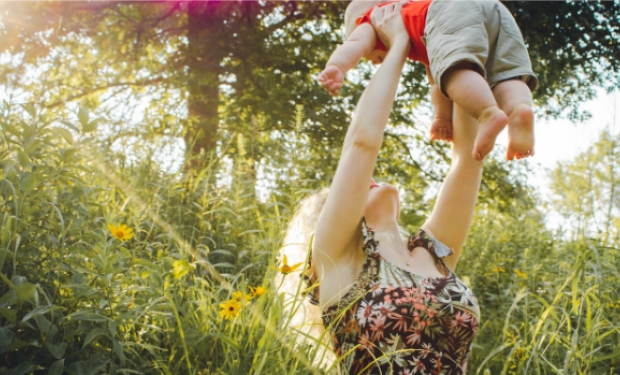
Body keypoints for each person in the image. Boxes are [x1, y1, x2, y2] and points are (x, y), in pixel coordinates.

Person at [277, 4, 482, 373]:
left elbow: (468, 158)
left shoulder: (433, 254)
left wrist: (452, 48)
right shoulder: (337, 259)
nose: (369, 179)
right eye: (350, 191)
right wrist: (400, 42)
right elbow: (363, 143)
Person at [317, 0, 538, 161]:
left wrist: (337, 66)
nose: (374, 63)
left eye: (371, 58)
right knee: (505, 73)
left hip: (450, 9)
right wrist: (442, 118)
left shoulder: (374, 20)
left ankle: (487, 113)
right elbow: (438, 85)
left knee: (454, 72)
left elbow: (355, 43)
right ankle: (519, 110)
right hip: (494, 9)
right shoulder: (425, 34)